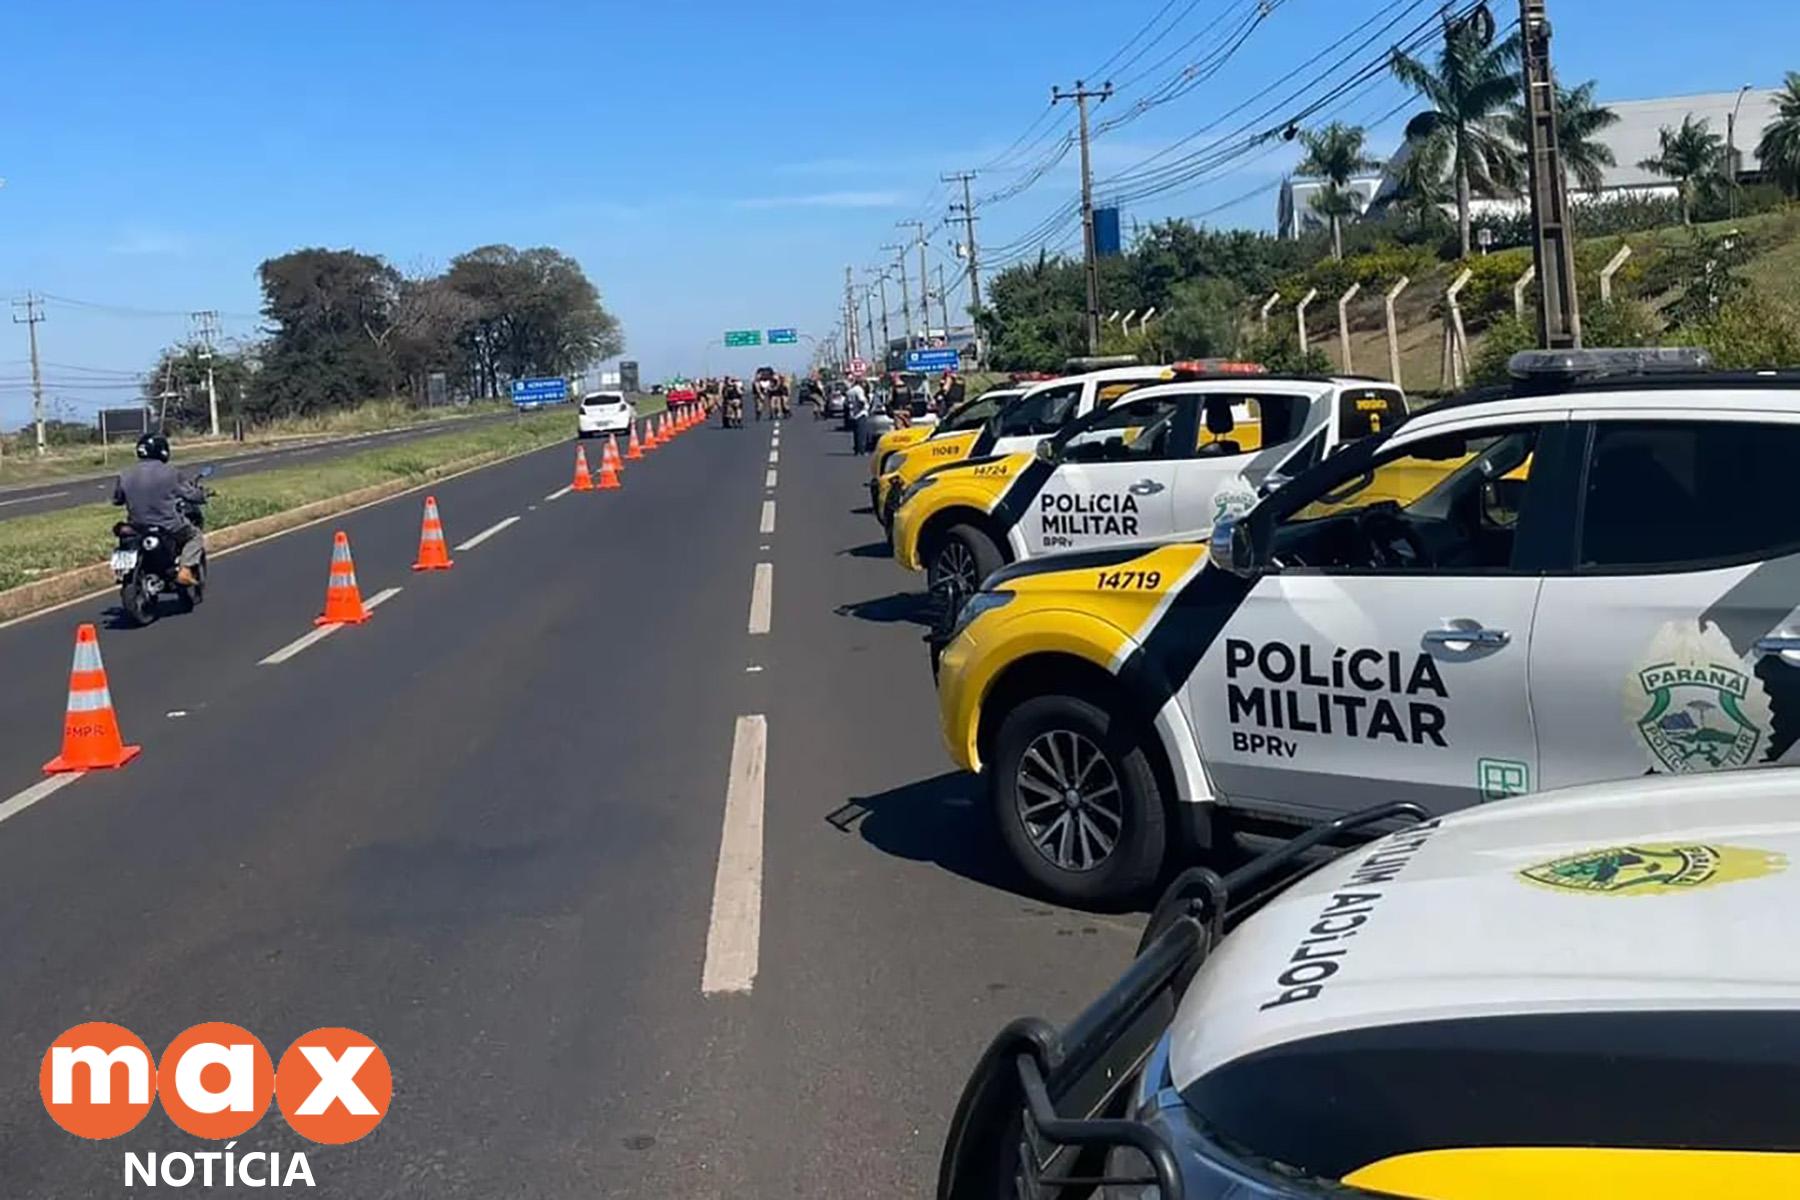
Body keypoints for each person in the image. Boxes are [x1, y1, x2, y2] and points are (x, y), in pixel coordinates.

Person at [113, 431, 206, 586]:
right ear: (162, 450)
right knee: (195, 536)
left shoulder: (125, 474)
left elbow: (117, 499)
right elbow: (191, 494)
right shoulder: (170, 472)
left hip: (137, 526)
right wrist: (201, 495)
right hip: (168, 525)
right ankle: (185, 569)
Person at [846, 378, 871, 453]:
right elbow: (861, 400)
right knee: (862, 433)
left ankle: (856, 449)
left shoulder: (850, 391)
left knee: (856, 433)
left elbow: (846, 403)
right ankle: (862, 449)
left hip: (853, 413)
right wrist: (864, 406)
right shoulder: (859, 390)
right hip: (861, 413)